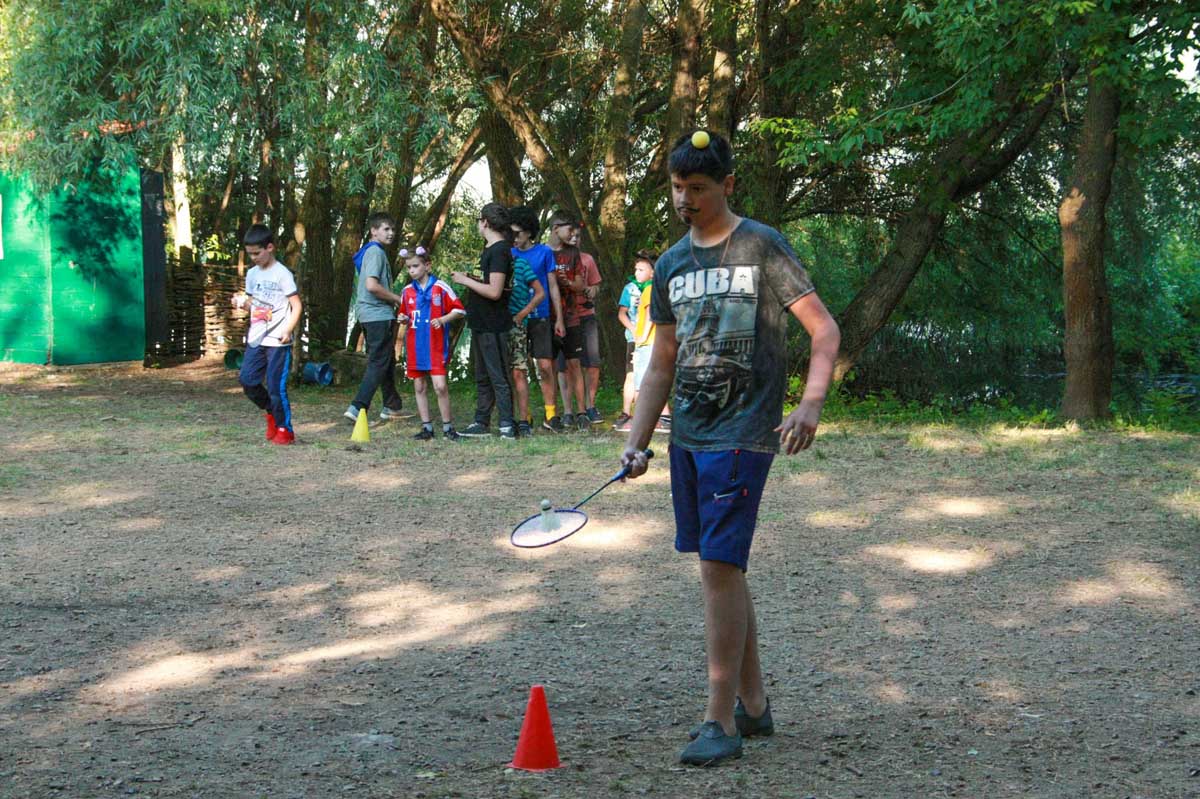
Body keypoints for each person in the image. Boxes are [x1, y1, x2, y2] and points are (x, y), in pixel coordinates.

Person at [619, 130, 840, 767]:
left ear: (727, 185)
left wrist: (811, 403)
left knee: (718, 567)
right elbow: (662, 361)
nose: (684, 199)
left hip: (743, 434)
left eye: (698, 188)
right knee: (722, 567)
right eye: (676, 187)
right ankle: (754, 704)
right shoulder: (669, 264)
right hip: (688, 437)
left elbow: (824, 330)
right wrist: (638, 441)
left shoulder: (760, 245)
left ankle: (719, 722)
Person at [233, 224, 303, 445]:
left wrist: (288, 330)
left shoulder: (282, 274)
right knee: (247, 380)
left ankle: (285, 429)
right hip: (257, 338)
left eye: (257, 253)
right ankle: (271, 412)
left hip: (278, 341)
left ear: (270, 248)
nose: (253, 258)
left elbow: (297, 306)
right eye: (250, 254)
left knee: (275, 387)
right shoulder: (252, 274)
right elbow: (254, 304)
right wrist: (242, 303)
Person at [452, 203, 516, 440]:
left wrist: (465, 281)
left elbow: (495, 291)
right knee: (482, 375)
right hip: (480, 321)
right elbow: (487, 282)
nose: (478, 224)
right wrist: (472, 278)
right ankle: (481, 421)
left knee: (497, 374)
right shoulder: (489, 249)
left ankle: (507, 424)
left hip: (493, 323)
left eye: (479, 220)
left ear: (486, 222)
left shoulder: (499, 250)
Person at [397, 246, 466, 441]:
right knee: (419, 386)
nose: (411, 271)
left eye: (415, 266)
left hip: (435, 346)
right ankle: (426, 428)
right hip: (415, 347)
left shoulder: (440, 287)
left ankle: (448, 428)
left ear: (427, 266)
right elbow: (405, 314)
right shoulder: (407, 291)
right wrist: (403, 319)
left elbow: (459, 310)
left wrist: (443, 320)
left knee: (440, 386)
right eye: (408, 267)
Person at [344, 213, 407, 424]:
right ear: (373, 231)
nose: (391, 233)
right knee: (379, 361)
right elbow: (372, 286)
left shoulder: (370, 251)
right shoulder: (376, 252)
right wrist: (397, 299)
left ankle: (392, 405)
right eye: (386, 229)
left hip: (369, 314)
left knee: (385, 358)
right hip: (377, 314)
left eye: (392, 229)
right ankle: (357, 406)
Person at [510, 206, 568, 433]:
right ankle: (524, 416)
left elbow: (552, 286)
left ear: (528, 232)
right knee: (518, 369)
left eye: (517, 233)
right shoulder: (509, 253)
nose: (514, 238)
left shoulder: (544, 252)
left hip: (540, 316)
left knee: (545, 365)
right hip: (516, 319)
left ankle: (551, 414)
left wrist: (559, 318)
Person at [615, 250, 670, 434]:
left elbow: (650, 316)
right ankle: (663, 418)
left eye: (641, 270)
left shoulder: (649, 290)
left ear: (652, 272)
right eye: (636, 269)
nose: (636, 273)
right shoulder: (660, 288)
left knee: (641, 383)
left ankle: (641, 421)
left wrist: (641, 339)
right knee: (651, 380)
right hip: (655, 341)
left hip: (647, 343)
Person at [506, 246, 547, 438]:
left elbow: (540, 293)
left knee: (518, 372)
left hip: (516, 324)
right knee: (501, 375)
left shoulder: (521, 264)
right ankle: (507, 420)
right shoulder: (492, 263)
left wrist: (523, 313)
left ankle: (524, 420)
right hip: (496, 325)